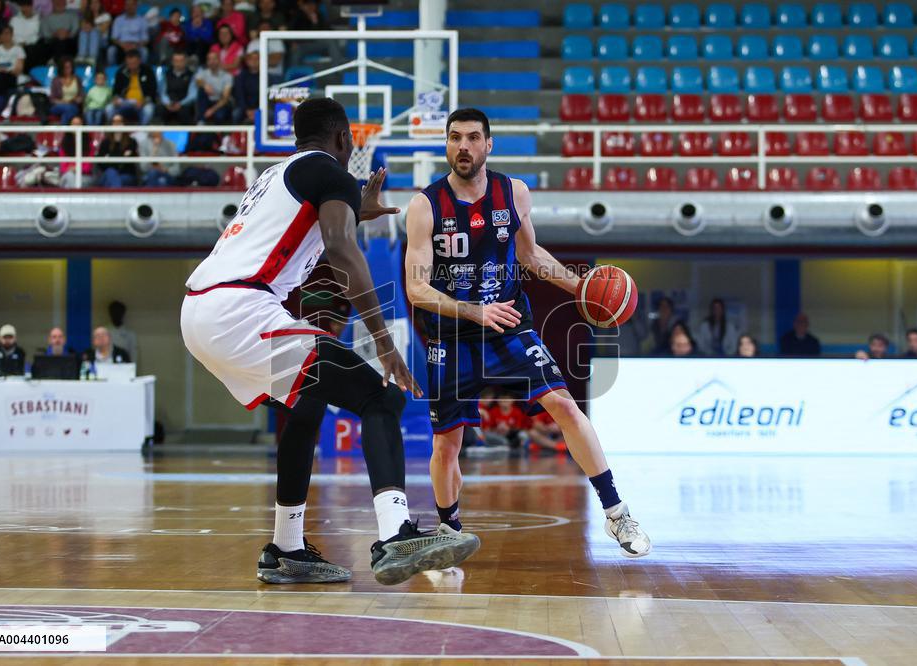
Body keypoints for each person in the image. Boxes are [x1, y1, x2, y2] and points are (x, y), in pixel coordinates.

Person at [180, 97, 480, 586]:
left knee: (308, 403)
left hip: (200, 309)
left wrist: (353, 211)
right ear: (344, 140)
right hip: (239, 309)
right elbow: (340, 248)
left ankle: (287, 548)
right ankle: (396, 534)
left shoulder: (276, 175)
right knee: (380, 397)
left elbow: (307, 231)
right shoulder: (331, 173)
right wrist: (383, 340)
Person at [404, 107, 650, 558]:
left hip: (509, 324)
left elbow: (531, 254)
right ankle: (448, 527)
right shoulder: (425, 206)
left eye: (473, 137)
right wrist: (473, 311)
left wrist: (581, 287)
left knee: (564, 404)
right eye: (455, 137)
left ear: (488, 144)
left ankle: (617, 513)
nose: (463, 146)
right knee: (447, 443)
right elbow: (416, 288)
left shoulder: (512, 192)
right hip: (452, 332)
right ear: (446, 143)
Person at [106, 48, 155, 124]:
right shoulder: (121, 72)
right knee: (109, 108)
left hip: (141, 101)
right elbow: (116, 91)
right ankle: (112, 133)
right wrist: (115, 99)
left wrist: (143, 102)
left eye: (134, 63)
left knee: (148, 110)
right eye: (129, 64)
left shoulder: (148, 71)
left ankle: (141, 133)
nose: (131, 66)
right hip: (124, 101)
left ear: (139, 61)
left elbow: (152, 92)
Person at [0, 25, 26, 108]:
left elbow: (19, 69)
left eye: (8, 33)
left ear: (12, 35)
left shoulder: (19, 49)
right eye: (3, 33)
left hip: (12, 75)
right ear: (0, 35)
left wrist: (8, 70)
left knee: (5, 79)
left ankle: (5, 106)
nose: (6, 35)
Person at [95, 113, 138, 187]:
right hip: (107, 174)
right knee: (111, 172)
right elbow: (100, 163)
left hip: (126, 175)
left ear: (123, 124)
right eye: (114, 122)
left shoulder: (131, 142)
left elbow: (132, 163)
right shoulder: (105, 142)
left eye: (119, 121)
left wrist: (110, 158)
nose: (117, 124)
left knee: (113, 180)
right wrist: (122, 156)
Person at [157, 50, 196, 124]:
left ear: (185, 61)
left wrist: (181, 104)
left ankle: (189, 135)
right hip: (169, 104)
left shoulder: (191, 75)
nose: (178, 63)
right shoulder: (166, 74)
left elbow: (192, 95)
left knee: (186, 112)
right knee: (160, 109)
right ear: (172, 62)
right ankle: (159, 135)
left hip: (184, 104)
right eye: (176, 61)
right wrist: (167, 103)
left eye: (181, 61)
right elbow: (162, 92)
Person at [194, 50, 232, 124]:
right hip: (207, 101)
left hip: (220, 103)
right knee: (201, 90)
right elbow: (197, 80)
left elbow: (225, 98)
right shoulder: (203, 72)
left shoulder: (227, 76)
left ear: (219, 60)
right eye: (209, 59)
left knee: (219, 116)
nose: (212, 61)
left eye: (214, 59)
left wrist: (212, 110)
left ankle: (220, 134)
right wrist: (205, 85)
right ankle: (201, 122)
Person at [10, 0, 44, 70]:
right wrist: (18, 43)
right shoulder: (14, 20)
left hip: (31, 47)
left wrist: (25, 43)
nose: (24, 9)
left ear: (31, 7)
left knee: (33, 49)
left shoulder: (38, 20)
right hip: (16, 45)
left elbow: (37, 36)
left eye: (27, 6)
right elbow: (10, 35)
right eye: (22, 6)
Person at [49, 56, 83, 124]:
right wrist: (64, 102)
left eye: (69, 67)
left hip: (73, 105)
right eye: (65, 67)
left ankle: (62, 131)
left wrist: (78, 99)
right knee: (69, 108)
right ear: (61, 68)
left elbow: (81, 95)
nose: (68, 69)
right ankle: (63, 131)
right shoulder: (56, 80)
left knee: (69, 111)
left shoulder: (77, 79)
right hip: (58, 106)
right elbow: (52, 99)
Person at [231, 49, 258, 124]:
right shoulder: (240, 76)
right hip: (244, 107)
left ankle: (269, 135)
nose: (254, 61)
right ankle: (235, 135)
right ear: (247, 61)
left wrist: (257, 109)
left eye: (256, 59)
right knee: (236, 114)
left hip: (260, 108)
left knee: (270, 114)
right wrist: (247, 110)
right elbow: (239, 95)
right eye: (251, 59)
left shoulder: (266, 76)